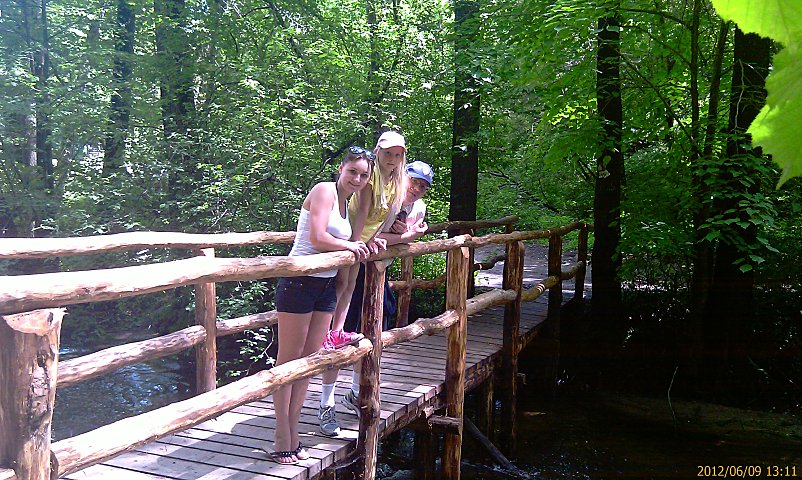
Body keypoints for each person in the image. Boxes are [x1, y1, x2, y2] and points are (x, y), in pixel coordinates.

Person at [269, 147, 376, 465]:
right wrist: (351, 246)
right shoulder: (324, 191)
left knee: (309, 362)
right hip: (299, 282)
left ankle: (294, 430)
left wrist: (359, 242)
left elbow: (361, 221)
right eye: (352, 171)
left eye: (363, 175)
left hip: (326, 286)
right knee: (289, 360)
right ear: (341, 168)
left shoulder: (346, 203)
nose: (357, 179)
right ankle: (281, 435)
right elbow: (316, 237)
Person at [318, 160, 433, 437]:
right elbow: (366, 235)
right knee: (339, 334)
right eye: (414, 181)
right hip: (354, 269)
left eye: (423, 186)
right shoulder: (384, 196)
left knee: (371, 332)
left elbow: (392, 239)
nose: (416, 189)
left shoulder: (417, 208)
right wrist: (408, 235)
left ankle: (355, 392)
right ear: (403, 177)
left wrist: (403, 236)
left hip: (378, 272)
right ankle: (325, 403)